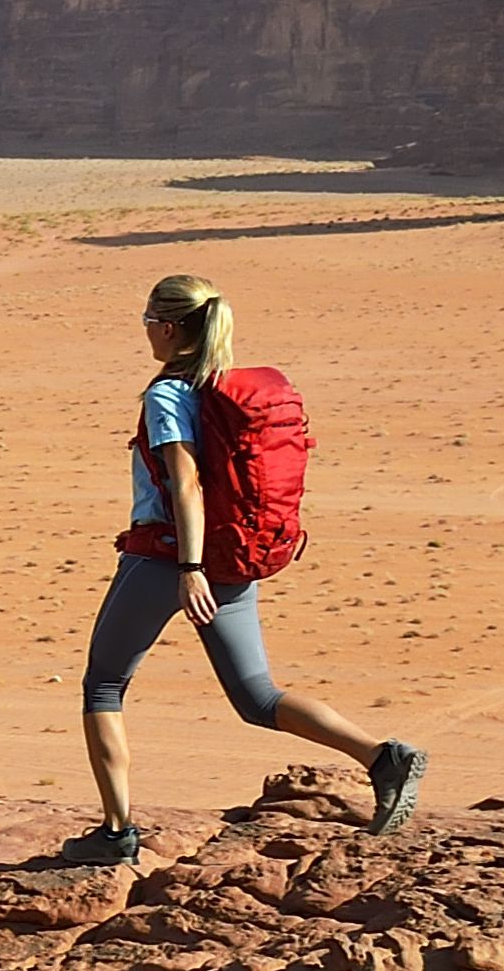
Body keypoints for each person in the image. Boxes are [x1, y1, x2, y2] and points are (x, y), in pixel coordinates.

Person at [61, 273, 420, 867]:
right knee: (257, 696)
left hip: (167, 558)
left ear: (170, 327)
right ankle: (383, 757)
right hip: (234, 554)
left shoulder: (169, 395)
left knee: (103, 685)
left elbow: (186, 483)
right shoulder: (225, 391)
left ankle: (116, 834)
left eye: (149, 321)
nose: (146, 332)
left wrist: (188, 566)